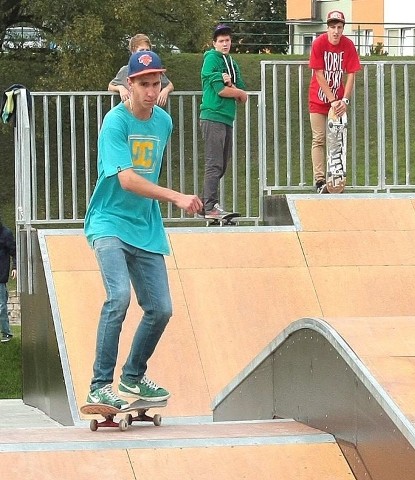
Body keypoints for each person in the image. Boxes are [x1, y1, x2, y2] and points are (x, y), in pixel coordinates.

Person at [84, 50, 203, 409]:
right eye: (144, 85)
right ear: (129, 85)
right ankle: (99, 385)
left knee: (161, 308)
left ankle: (133, 378)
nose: (152, 92)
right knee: (118, 297)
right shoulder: (115, 123)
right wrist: (176, 197)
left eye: (156, 84)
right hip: (108, 221)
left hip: (145, 226)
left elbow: (147, 173)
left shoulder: (163, 123)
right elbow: (128, 179)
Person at [308, 10, 361, 193]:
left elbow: (351, 74)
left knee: (336, 141)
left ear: (343, 28)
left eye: (339, 27)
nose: (336, 31)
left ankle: (335, 179)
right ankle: (320, 180)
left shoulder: (348, 45)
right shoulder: (319, 43)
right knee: (319, 138)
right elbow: (319, 74)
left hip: (338, 103)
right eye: (332, 27)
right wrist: (332, 99)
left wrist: (344, 100)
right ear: (327, 28)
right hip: (318, 99)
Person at [199, 24, 248, 219]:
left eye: (227, 40)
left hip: (226, 117)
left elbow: (241, 91)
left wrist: (233, 87)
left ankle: (211, 204)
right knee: (214, 163)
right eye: (221, 41)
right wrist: (235, 91)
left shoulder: (231, 62)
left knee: (222, 164)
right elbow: (222, 91)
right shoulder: (211, 59)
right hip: (213, 115)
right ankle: (208, 206)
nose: (225, 43)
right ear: (214, 43)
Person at [108, 34, 174, 107]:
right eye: (141, 50)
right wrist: (120, 88)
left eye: (147, 50)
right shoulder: (125, 70)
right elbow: (111, 86)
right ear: (133, 52)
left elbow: (169, 85)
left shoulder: (154, 70)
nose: (145, 53)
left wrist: (165, 91)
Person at [0, 218, 16, 343]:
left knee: (1, 306)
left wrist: (15, 267)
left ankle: (6, 333)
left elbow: (14, 252)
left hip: (1, 277)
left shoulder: (5, 234)